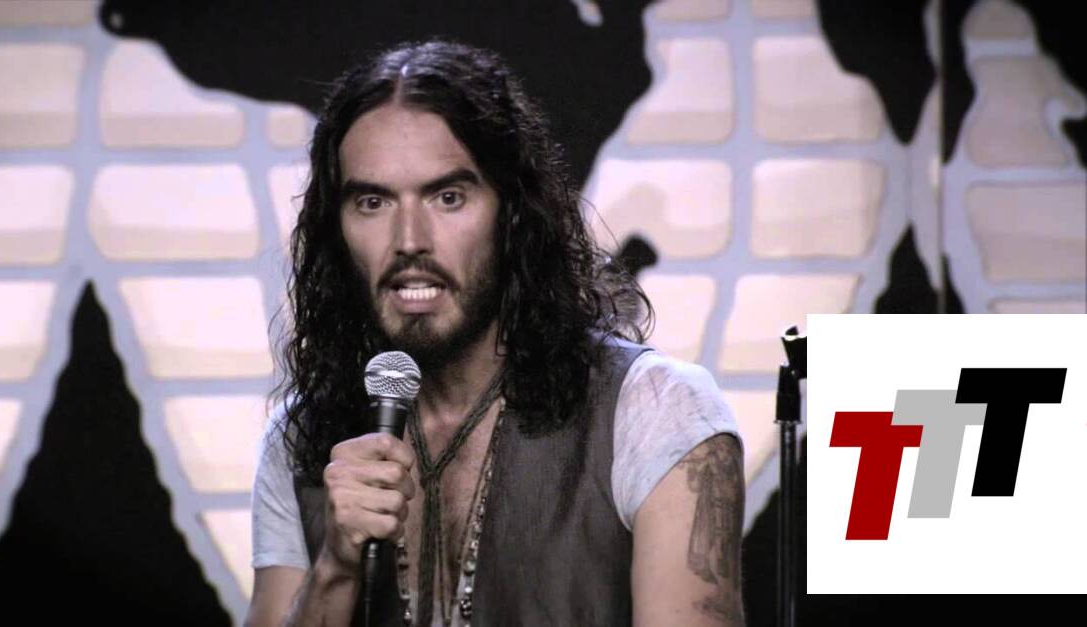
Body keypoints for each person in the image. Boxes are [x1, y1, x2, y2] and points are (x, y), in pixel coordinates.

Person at [247, 40, 744, 627]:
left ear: (512, 213)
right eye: (373, 202)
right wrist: (335, 568)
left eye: (448, 197)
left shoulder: (657, 409)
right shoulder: (300, 439)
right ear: (337, 228)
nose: (409, 240)